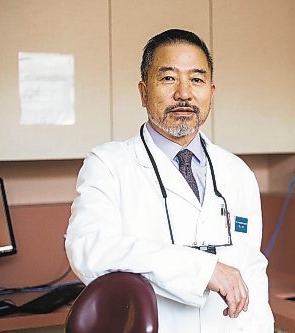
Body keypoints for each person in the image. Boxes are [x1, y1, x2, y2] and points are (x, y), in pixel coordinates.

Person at [65, 29, 274, 332]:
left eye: (197, 80)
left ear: (211, 92)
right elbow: (89, 249)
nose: (184, 93)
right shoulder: (109, 164)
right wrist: (202, 271)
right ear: (143, 92)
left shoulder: (237, 172)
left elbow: (252, 270)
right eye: (168, 78)